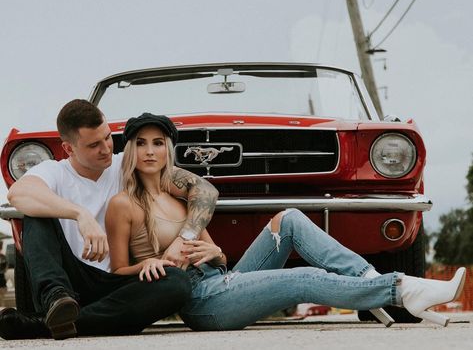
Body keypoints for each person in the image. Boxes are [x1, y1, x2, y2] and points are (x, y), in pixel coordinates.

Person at [106, 112, 467, 331]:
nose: (149, 151)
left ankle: (368, 282)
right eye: (140, 143)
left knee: (289, 219)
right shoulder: (124, 204)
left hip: (223, 278)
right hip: (203, 302)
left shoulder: (179, 194)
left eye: (157, 143)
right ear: (130, 150)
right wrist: (149, 262)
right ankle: (401, 291)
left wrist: (214, 251)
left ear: (168, 149)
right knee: (304, 278)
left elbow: (214, 253)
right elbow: (116, 272)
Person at [0, 100, 218, 340]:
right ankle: (56, 301)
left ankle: (44, 326)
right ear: (68, 149)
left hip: (118, 282)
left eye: (107, 137)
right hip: (69, 280)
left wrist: (183, 238)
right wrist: (80, 215)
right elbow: (18, 194)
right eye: (93, 145)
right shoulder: (54, 171)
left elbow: (205, 190)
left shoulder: (125, 164)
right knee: (35, 213)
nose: (105, 148)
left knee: (176, 283)